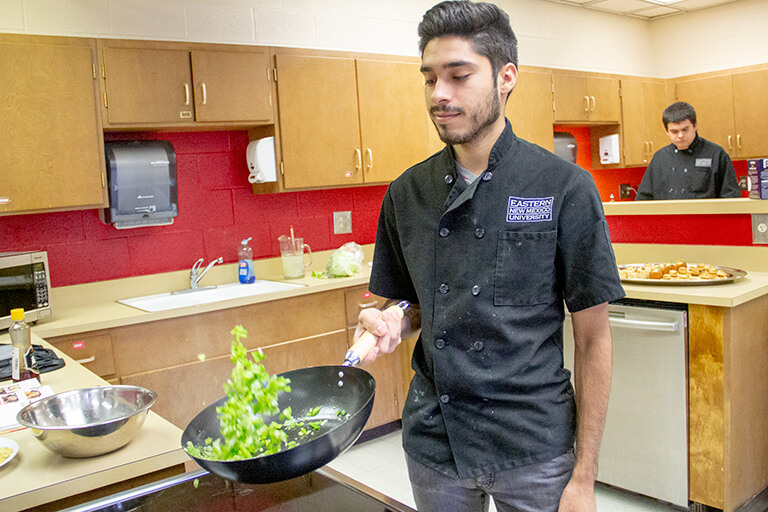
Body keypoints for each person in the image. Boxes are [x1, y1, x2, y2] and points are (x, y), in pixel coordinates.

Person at [352, 2, 626, 511]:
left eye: (459, 76)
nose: (440, 94)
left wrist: (584, 477)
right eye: (430, 78)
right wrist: (390, 320)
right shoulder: (406, 194)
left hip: (533, 447)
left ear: (506, 77)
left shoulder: (563, 187)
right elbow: (411, 305)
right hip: (436, 443)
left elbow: (594, 337)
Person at [636, 101, 741, 200]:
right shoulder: (659, 158)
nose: (680, 136)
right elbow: (643, 199)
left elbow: (731, 197)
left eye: (685, 129)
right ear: (667, 131)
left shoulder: (716, 154)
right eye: (674, 132)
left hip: (705, 218)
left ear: (695, 126)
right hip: (669, 218)